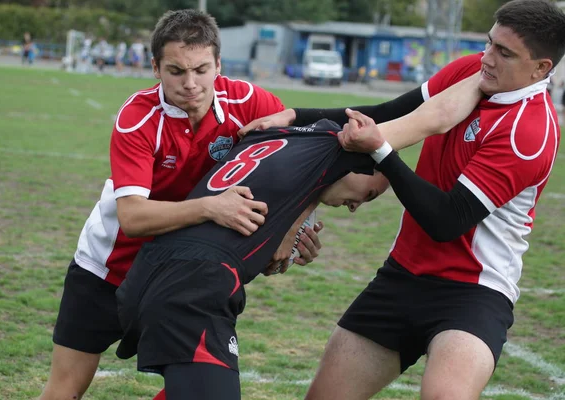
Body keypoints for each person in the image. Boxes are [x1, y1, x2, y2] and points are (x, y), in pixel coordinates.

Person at [115, 71, 482, 400]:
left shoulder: (278, 135)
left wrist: (293, 225)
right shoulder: (336, 146)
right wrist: (485, 73)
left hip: (151, 274)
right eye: (368, 194)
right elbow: (435, 116)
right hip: (193, 290)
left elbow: (283, 202)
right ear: (356, 162)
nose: (356, 206)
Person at [38, 9, 324, 400]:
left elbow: (310, 160)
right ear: (155, 67)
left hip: (184, 276)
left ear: (219, 64)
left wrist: (294, 231)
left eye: (202, 69)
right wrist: (211, 207)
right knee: (64, 391)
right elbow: (133, 217)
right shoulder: (137, 119)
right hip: (107, 269)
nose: (191, 83)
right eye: (176, 71)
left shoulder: (249, 102)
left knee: (203, 391)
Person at [300, 1, 564, 399]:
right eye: (489, 43)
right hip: (402, 276)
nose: (487, 59)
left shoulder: (528, 133)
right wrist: (292, 116)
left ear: (541, 68)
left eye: (504, 53)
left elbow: (447, 219)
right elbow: (387, 112)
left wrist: (383, 153)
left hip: (473, 293)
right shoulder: (469, 71)